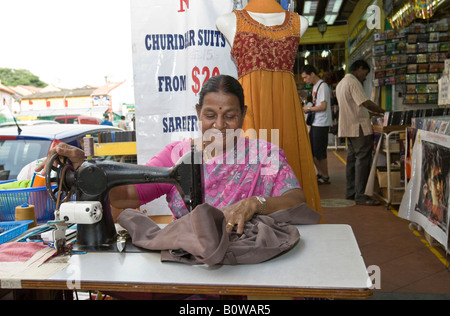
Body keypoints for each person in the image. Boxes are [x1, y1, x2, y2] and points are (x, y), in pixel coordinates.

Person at [37, 75, 320, 234]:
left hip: (252, 261)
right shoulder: (177, 155)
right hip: (188, 258)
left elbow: (296, 200)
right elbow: (125, 196)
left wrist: (255, 204)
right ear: (198, 113)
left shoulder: (266, 154)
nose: (219, 126)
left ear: (244, 115)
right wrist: (85, 170)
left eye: (230, 116)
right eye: (210, 115)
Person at [216, 0, 323, 214]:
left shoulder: (298, 22)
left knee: (289, 170)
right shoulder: (229, 20)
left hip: (287, 113)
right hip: (251, 110)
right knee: (252, 172)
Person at [336, 60, 385, 206]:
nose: (365, 77)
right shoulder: (353, 82)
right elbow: (365, 102)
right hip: (359, 128)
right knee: (362, 161)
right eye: (365, 73)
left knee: (352, 161)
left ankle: (351, 192)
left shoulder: (341, 83)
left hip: (349, 127)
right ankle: (361, 195)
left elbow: (354, 107)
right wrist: (383, 111)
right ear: (360, 68)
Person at [301, 65, 332, 185]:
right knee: (312, 151)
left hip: (321, 123)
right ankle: (320, 172)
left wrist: (309, 109)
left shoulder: (323, 86)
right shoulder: (315, 87)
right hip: (316, 123)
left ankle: (325, 175)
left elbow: (323, 106)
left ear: (312, 74)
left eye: (305, 77)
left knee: (320, 153)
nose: (304, 80)